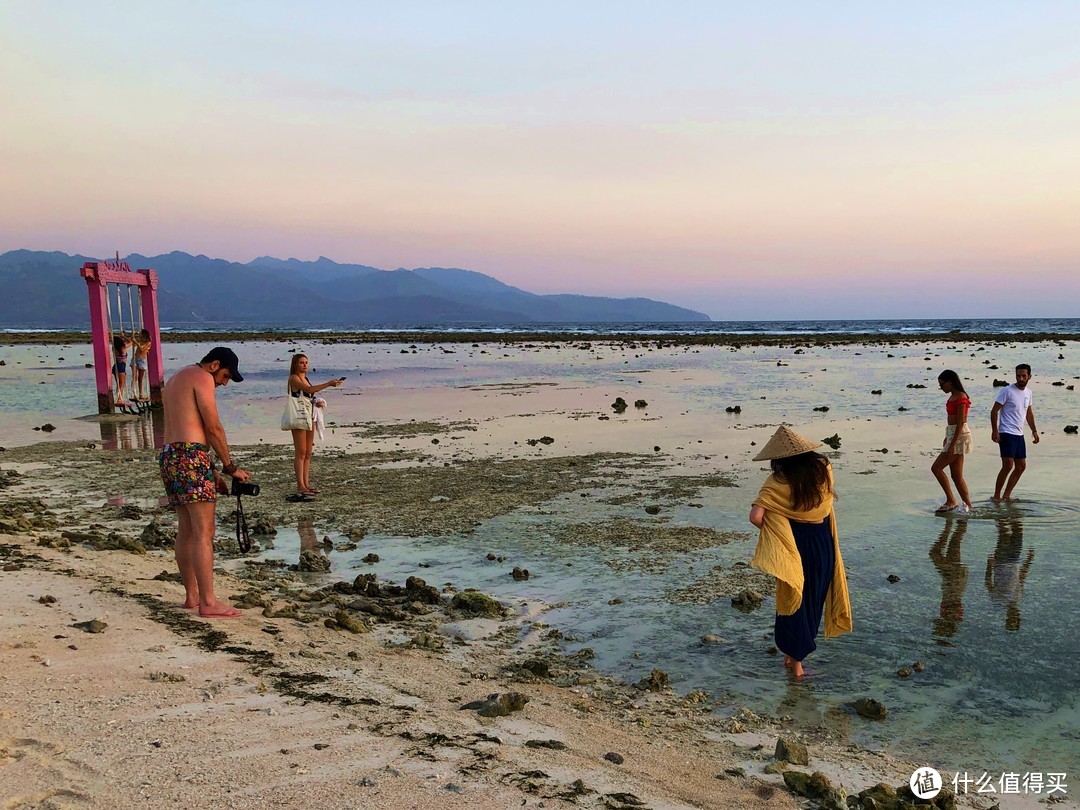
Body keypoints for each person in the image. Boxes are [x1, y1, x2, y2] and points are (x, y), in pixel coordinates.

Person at [748, 426, 852, 678]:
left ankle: (793, 659)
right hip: (822, 541)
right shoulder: (823, 468)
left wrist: (778, 528)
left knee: (793, 598)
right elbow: (824, 505)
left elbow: (755, 517)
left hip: (794, 543)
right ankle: (796, 665)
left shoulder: (777, 482)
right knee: (813, 599)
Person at [159, 347, 250, 618]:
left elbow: (187, 428)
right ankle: (208, 602)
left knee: (186, 530)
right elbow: (212, 427)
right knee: (203, 532)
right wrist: (230, 466)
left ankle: (192, 596)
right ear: (214, 365)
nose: (223, 383)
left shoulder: (176, 379)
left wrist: (211, 470)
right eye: (225, 376)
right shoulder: (202, 378)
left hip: (170, 456)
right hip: (190, 456)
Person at [287, 353, 343, 500]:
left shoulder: (305, 378)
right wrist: (328, 384)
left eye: (306, 362)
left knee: (307, 453)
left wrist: (315, 402)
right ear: (295, 365)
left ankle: (306, 484)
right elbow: (309, 390)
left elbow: (308, 395)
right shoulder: (294, 378)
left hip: (309, 415)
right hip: (299, 416)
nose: (305, 365)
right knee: (301, 452)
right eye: (301, 363)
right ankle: (300, 485)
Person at [990, 364, 1039, 502]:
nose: (1021, 378)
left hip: (1019, 434)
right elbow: (994, 411)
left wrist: (1034, 430)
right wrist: (995, 430)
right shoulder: (1007, 391)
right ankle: (996, 496)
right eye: (1018, 375)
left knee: (1021, 466)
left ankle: (1007, 495)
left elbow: (1028, 412)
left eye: (1024, 376)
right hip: (1006, 432)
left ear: (1029, 376)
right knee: (1008, 465)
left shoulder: (1028, 392)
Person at [931, 370, 974, 514]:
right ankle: (969, 506)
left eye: (942, 384)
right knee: (956, 475)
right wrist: (947, 437)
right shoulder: (952, 397)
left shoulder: (961, 397)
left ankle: (951, 500)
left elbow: (961, 422)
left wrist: (953, 443)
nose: (941, 387)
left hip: (960, 436)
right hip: (953, 434)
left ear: (950, 382)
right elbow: (952, 422)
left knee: (936, 468)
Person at [985, 516, 1035, 631]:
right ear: (1018, 615)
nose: (1013, 615)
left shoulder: (998, 600)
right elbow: (1022, 576)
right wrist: (1029, 559)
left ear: (1007, 617)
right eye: (1015, 617)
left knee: (1004, 534)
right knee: (1018, 530)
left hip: (1001, 561)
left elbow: (988, 583)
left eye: (1010, 618)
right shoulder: (1019, 596)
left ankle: (1000, 513)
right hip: (1014, 558)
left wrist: (989, 565)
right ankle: (1011, 511)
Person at [112, 333, 132, 405]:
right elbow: (131, 342)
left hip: (116, 366)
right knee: (122, 383)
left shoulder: (114, 348)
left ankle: (118, 397)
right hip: (121, 366)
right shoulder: (123, 347)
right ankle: (119, 398)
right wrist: (124, 336)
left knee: (119, 384)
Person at [133, 328, 152, 400]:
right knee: (134, 376)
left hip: (142, 360)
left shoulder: (148, 343)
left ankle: (141, 393)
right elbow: (133, 341)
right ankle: (134, 392)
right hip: (136, 358)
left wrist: (137, 343)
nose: (139, 335)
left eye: (140, 334)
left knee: (140, 378)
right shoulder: (140, 340)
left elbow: (142, 349)